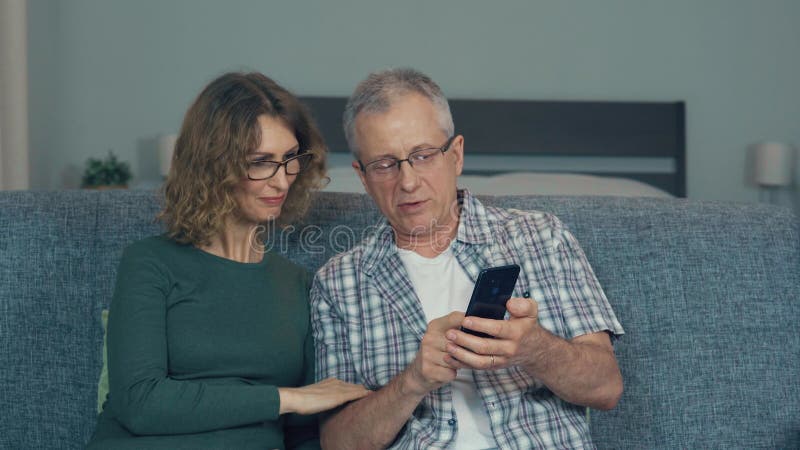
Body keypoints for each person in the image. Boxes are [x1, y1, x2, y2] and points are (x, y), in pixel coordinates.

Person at [310, 68, 624, 449]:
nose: (407, 182)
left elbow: (607, 388)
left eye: (423, 156)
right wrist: (413, 381)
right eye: (384, 164)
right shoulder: (339, 282)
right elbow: (337, 444)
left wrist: (535, 348)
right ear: (362, 175)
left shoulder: (542, 237)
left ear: (456, 154)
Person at [87, 72, 369, 449]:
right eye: (261, 161)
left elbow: (303, 434)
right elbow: (139, 403)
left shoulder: (299, 284)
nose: (282, 181)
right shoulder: (149, 263)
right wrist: (287, 399)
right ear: (213, 165)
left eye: (289, 159)